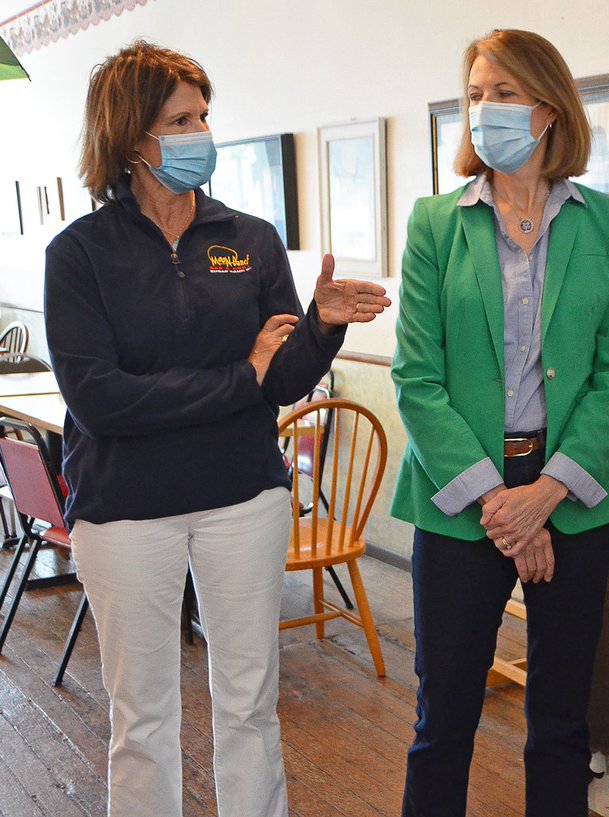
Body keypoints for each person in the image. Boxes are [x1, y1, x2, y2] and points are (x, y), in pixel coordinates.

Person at [43, 41, 390, 817]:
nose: (201, 132)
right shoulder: (78, 255)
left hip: (243, 497)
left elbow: (284, 378)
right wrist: (241, 377)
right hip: (125, 510)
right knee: (142, 719)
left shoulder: (251, 239)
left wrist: (321, 327)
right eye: (180, 119)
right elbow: (101, 401)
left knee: (250, 706)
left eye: (203, 115)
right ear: (130, 135)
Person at [391, 28, 609, 817]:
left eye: (502, 93)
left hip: (574, 497)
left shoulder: (605, 223)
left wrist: (547, 494)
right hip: (463, 496)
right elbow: (416, 380)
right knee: (444, 719)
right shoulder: (436, 223)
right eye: (474, 95)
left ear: (548, 107)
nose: (483, 109)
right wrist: (502, 502)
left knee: (562, 722)